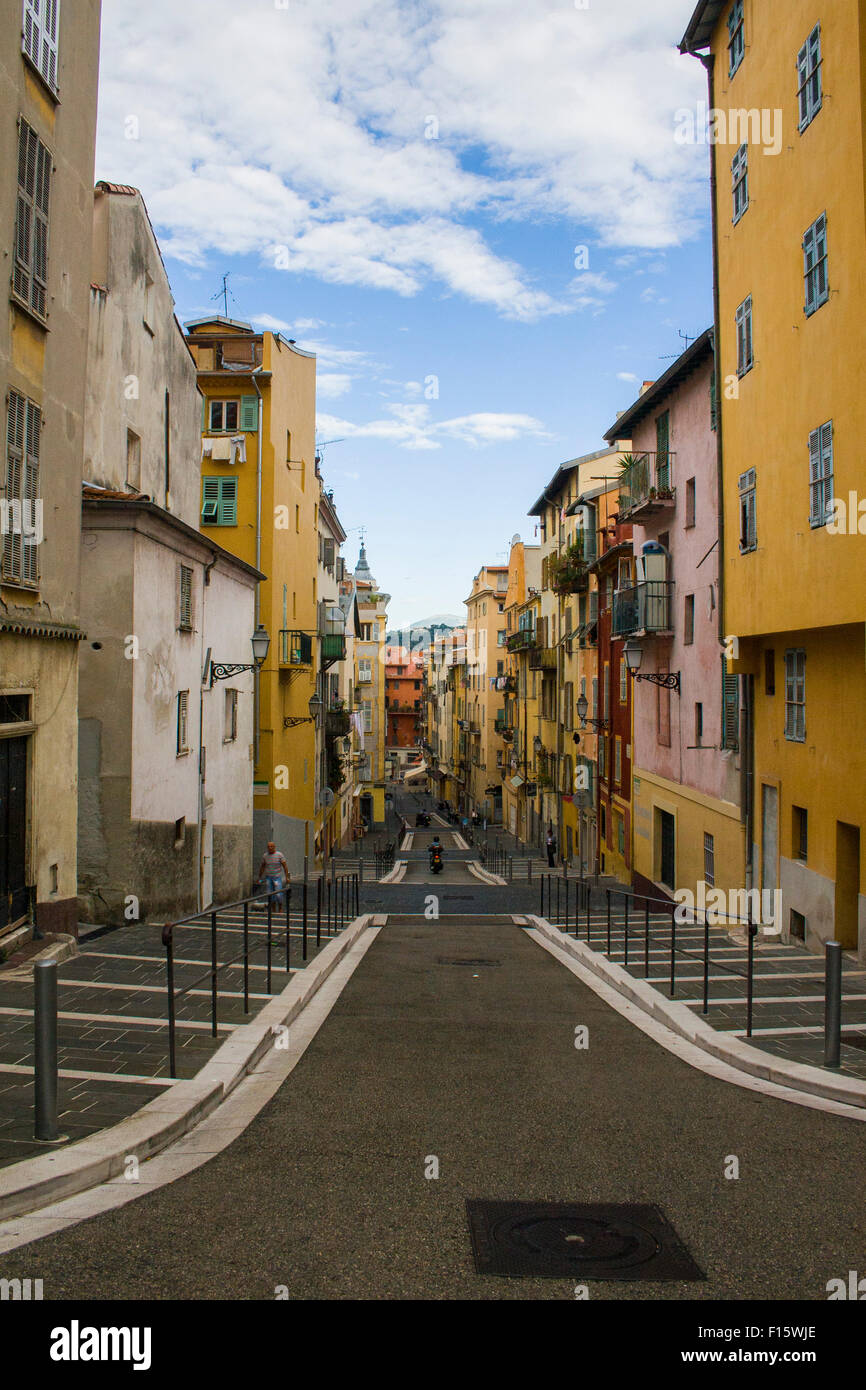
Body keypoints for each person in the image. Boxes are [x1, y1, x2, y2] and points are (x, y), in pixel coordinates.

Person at [258, 841, 289, 910]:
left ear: (274, 847)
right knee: (270, 894)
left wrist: (287, 877)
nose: (270, 848)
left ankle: (280, 907)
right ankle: (273, 908)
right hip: (269, 877)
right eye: (268, 847)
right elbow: (262, 867)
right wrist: (259, 877)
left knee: (278, 893)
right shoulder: (265, 856)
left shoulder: (279, 855)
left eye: (271, 846)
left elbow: (285, 866)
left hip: (277, 877)